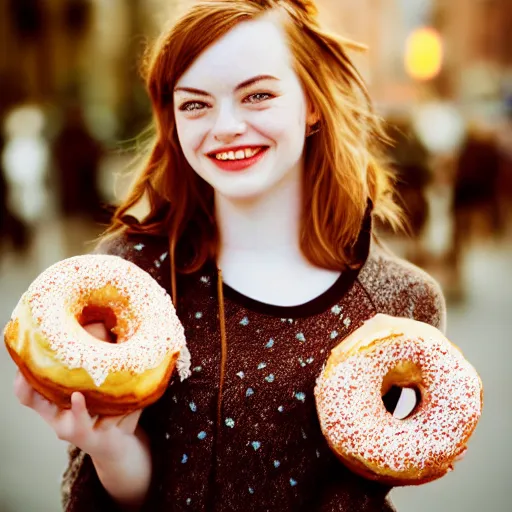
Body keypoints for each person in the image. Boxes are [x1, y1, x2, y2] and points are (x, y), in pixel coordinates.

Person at [14, 1, 447, 510]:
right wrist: (108, 446)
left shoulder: (402, 305)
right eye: (196, 104)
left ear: (312, 102)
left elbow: (356, 494)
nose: (225, 127)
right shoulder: (134, 272)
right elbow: (126, 495)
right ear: (172, 118)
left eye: (258, 95)